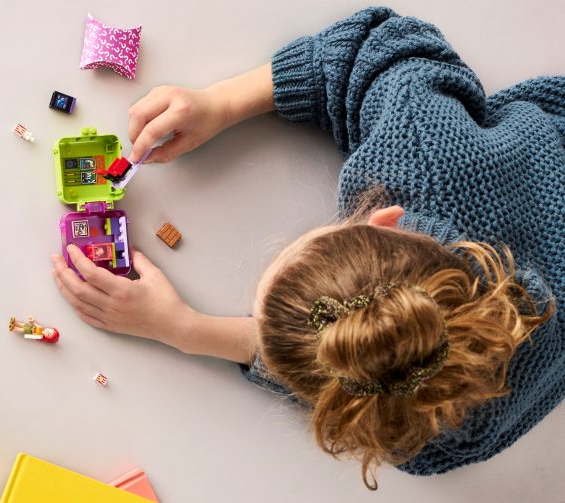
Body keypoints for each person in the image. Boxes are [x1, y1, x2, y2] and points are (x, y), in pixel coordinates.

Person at [51, 6, 564, 490]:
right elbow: (377, 44)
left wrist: (185, 330)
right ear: (385, 223)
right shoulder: (421, 148)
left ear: (384, 220)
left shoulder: (438, 426)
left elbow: (345, 365)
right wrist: (222, 102)